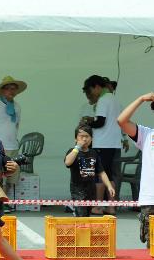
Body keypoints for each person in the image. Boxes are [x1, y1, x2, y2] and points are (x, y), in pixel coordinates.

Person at [117, 92, 154, 246]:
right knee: (151, 246)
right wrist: (140, 99)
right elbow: (121, 120)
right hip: (150, 198)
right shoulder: (147, 134)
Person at [81, 75, 122, 215]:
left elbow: (100, 122)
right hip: (114, 143)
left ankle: (98, 206)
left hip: (102, 143)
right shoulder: (116, 100)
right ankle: (111, 207)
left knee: (99, 175)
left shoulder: (103, 100)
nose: (90, 94)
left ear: (97, 87)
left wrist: (87, 121)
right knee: (110, 175)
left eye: (90, 91)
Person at [64, 125, 115, 217]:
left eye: (87, 136)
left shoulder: (93, 153)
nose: (84, 139)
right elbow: (68, 162)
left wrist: (109, 186)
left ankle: (84, 230)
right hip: (77, 190)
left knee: (87, 214)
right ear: (75, 139)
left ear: (91, 139)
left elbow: (101, 172)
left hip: (91, 189)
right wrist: (77, 147)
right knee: (81, 215)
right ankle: (80, 229)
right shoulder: (73, 151)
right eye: (81, 136)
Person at [0, 75, 26, 196]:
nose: (11, 91)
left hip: (13, 146)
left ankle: (6, 201)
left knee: (12, 176)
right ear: (2, 90)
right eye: (8, 88)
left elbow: (16, 125)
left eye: (13, 88)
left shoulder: (17, 107)